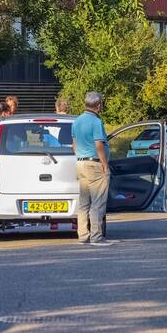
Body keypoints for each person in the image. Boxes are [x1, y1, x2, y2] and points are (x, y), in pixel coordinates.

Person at [71, 91, 114, 247]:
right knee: (98, 202)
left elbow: (74, 145)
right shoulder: (96, 122)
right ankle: (96, 236)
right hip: (95, 164)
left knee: (84, 202)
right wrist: (105, 165)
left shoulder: (76, 121)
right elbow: (99, 145)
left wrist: (80, 156)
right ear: (98, 105)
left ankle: (83, 235)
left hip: (80, 163)